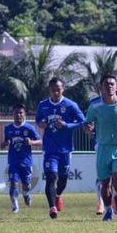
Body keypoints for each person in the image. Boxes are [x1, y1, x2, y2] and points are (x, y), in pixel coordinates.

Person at [84, 75, 117, 221]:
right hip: (103, 148)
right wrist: (88, 129)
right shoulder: (94, 106)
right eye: (106, 84)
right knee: (105, 183)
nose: (110, 87)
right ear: (100, 88)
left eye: (112, 84)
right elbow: (87, 123)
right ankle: (108, 210)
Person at [35, 77, 85, 219]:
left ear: (63, 89)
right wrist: (41, 123)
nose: (56, 92)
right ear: (49, 90)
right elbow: (39, 120)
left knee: (62, 180)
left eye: (58, 89)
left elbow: (82, 121)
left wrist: (66, 125)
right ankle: (52, 208)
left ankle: (57, 195)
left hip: (65, 150)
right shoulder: (43, 105)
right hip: (50, 149)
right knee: (51, 177)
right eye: (53, 90)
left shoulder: (70, 105)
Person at [2, 104, 42, 213]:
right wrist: (4, 144)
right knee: (13, 183)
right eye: (16, 113)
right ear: (13, 114)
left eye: (20, 113)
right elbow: (6, 141)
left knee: (26, 186)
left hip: (26, 162)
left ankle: (26, 194)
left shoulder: (29, 128)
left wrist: (31, 142)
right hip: (13, 161)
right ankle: (15, 206)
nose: (18, 115)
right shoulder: (8, 128)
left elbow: (40, 141)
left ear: (24, 114)